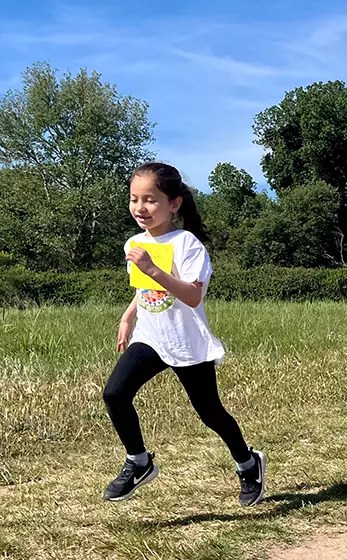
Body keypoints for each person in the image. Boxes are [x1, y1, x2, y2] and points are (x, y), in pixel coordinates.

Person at [102, 162, 266, 506]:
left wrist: (152, 268)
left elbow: (192, 295)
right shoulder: (134, 242)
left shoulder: (186, 244)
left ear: (174, 204)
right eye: (134, 199)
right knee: (115, 394)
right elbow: (142, 289)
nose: (140, 208)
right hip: (150, 337)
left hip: (186, 341)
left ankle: (248, 464)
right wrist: (128, 316)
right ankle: (139, 461)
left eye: (150, 200)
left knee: (210, 413)